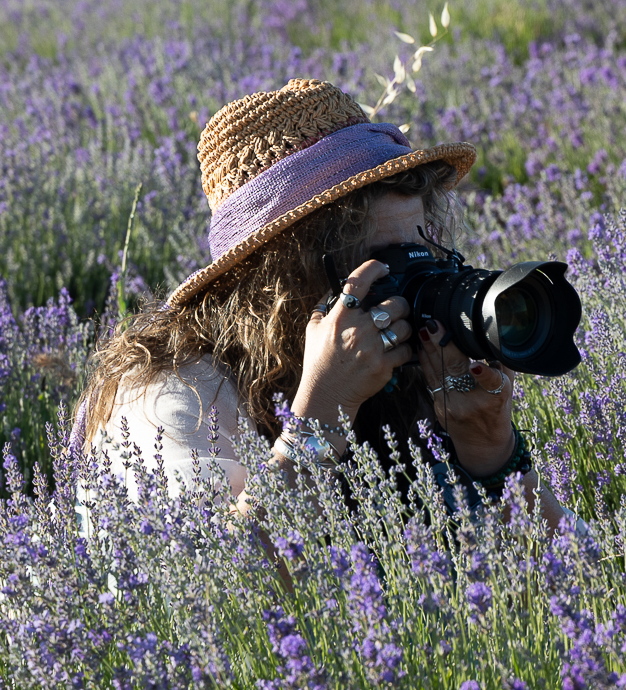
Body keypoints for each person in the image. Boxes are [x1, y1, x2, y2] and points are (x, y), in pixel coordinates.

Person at [79, 77, 571, 533]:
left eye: (425, 257)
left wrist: (493, 456)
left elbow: (585, 576)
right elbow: (205, 598)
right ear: (280, 281)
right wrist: (320, 417)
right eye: (385, 266)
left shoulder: (402, 371)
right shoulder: (177, 398)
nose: (414, 289)